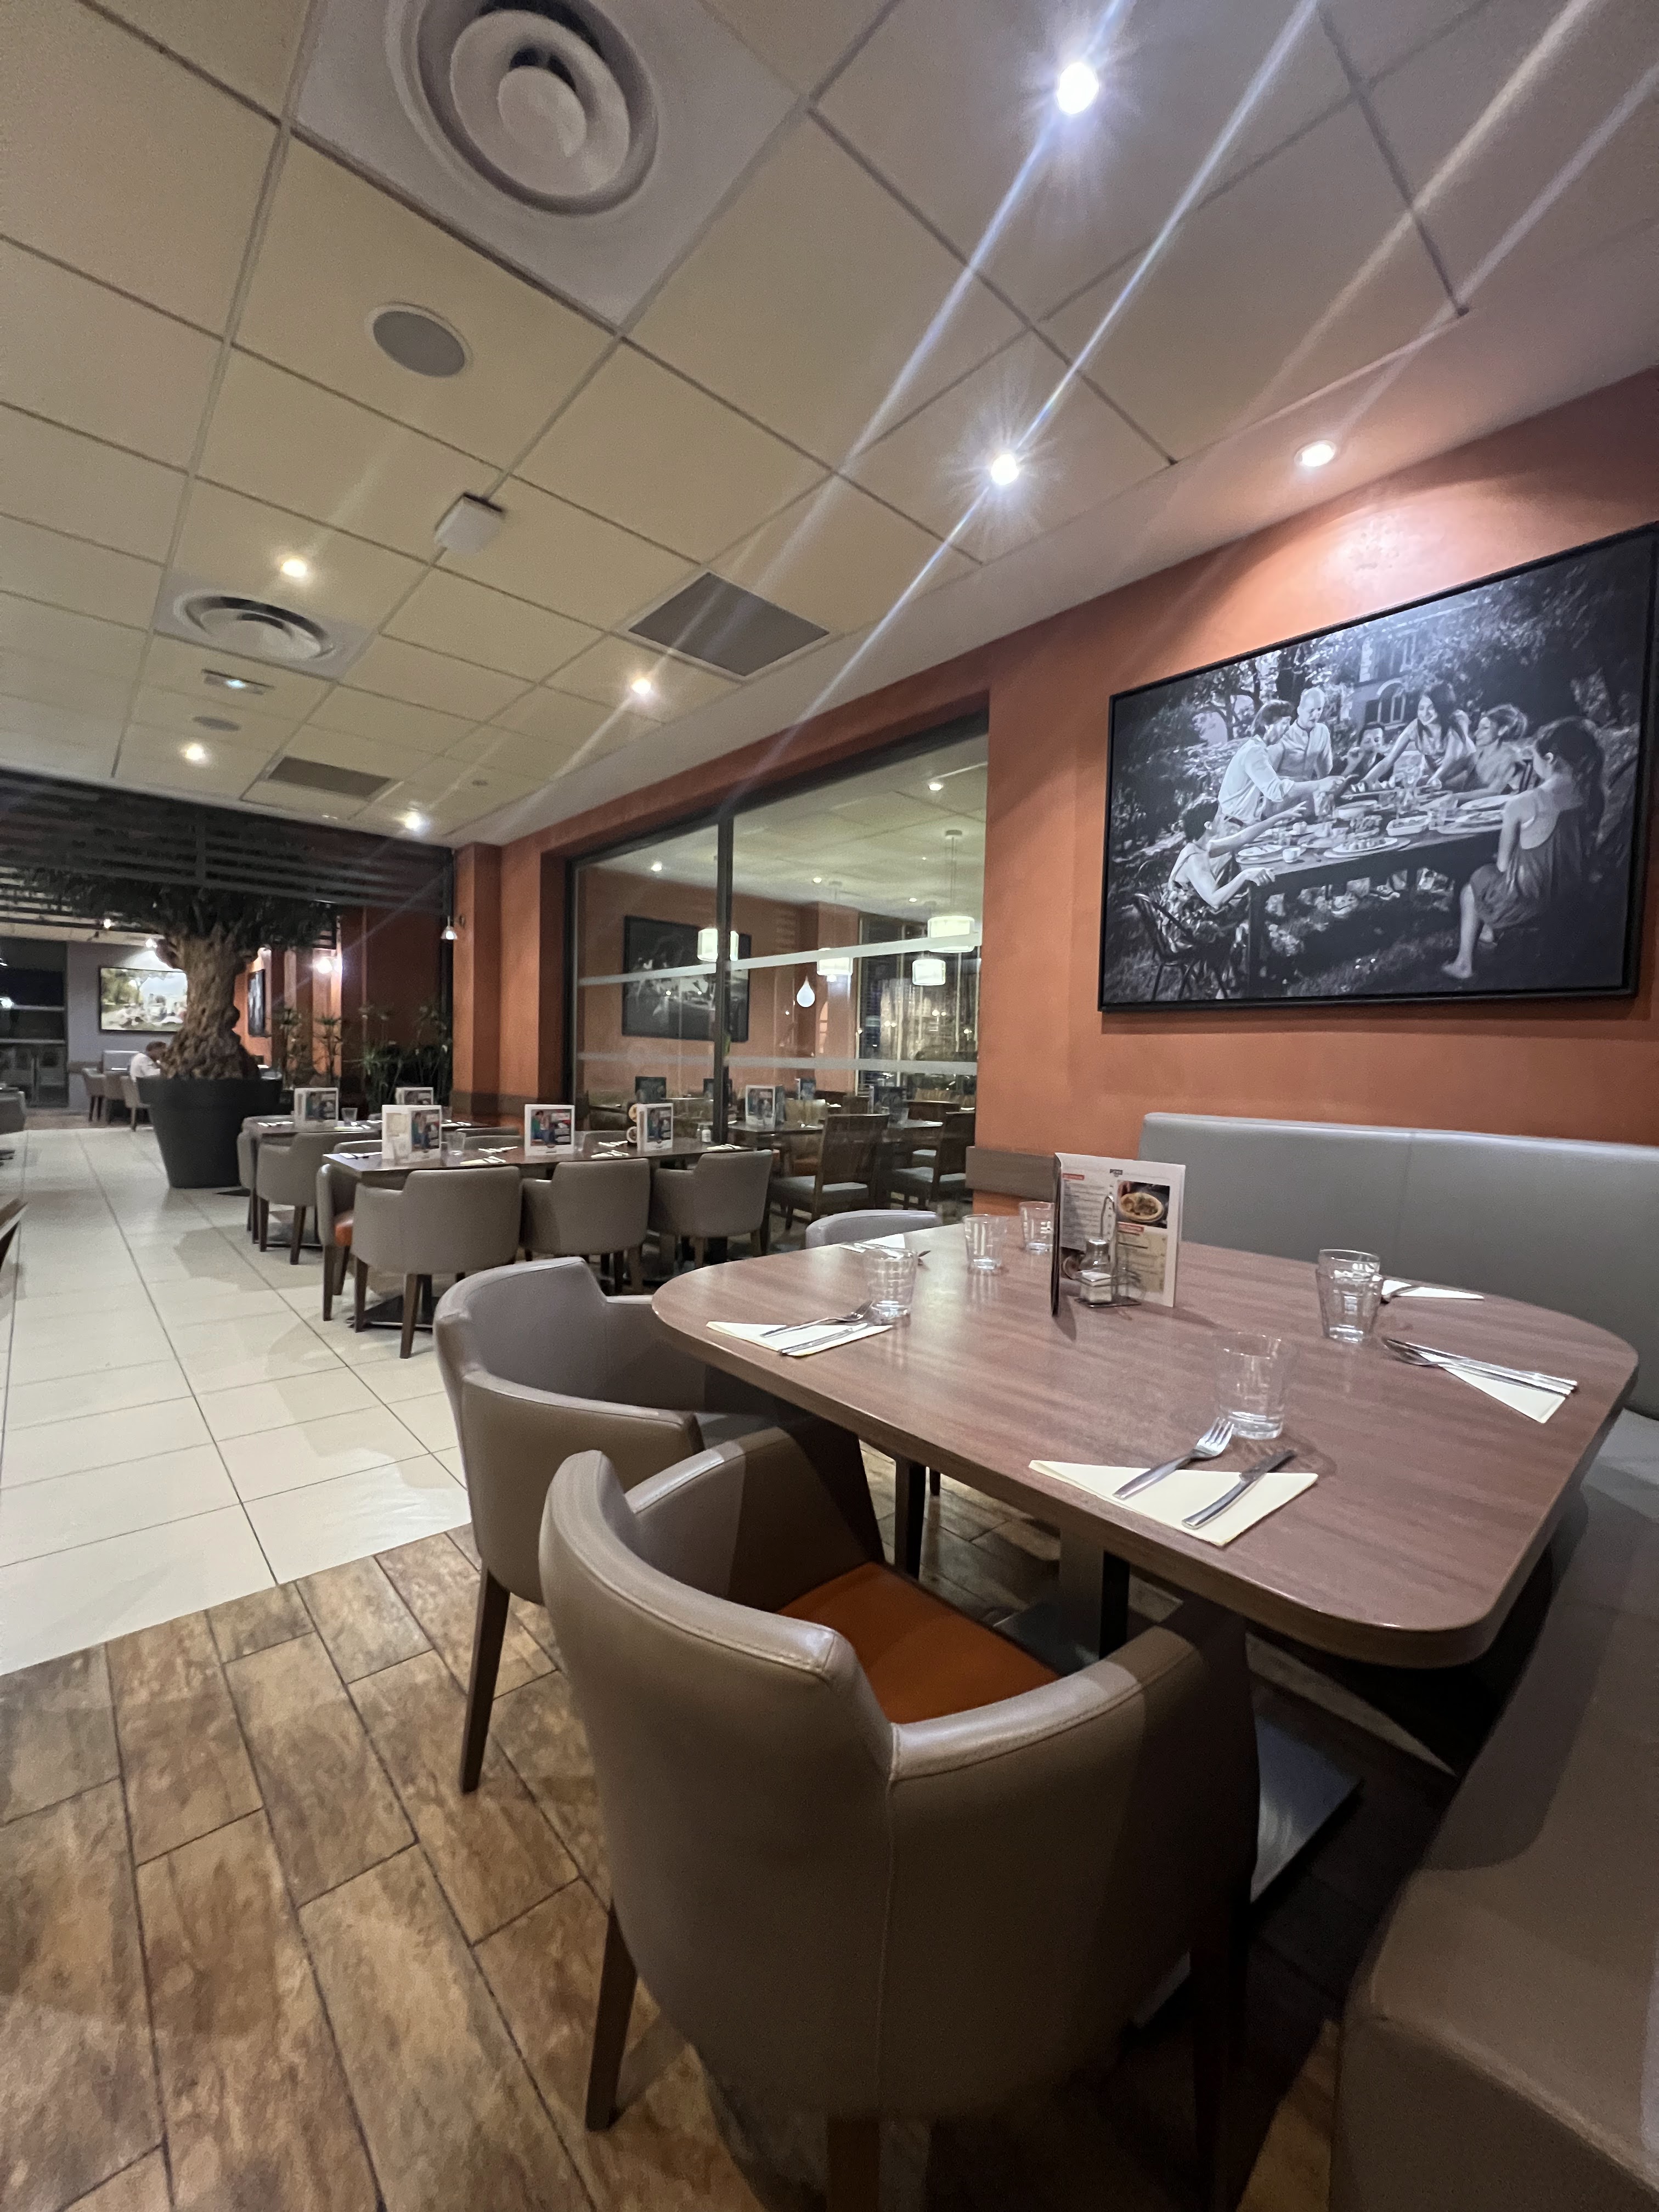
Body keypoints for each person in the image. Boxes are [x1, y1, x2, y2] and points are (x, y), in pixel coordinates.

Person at [1442, 718, 1603, 980]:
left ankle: (1464, 964)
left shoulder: (1523, 803)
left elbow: (1503, 867)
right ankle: (1489, 934)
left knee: (1474, 884)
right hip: (1571, 892)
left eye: (1534, 755)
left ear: (1549, 759)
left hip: (1529, 902)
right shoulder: (1592, 795)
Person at [1215, 703, 1342, 833]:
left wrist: (1301, 781)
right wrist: (1320, 785)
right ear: (1267, 725)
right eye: (1284, 723)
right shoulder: (1254, 752)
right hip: (1232, 828)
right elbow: (1276, 791)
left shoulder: (1257, 748)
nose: (1287, 729)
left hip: (1241, 825)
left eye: (1289, 723)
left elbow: (1267, 780)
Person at [1164, 798, 1273, 939]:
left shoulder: (1199, 846)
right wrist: (1245, 875)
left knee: (1248, 903)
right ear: (1208, 825)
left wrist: (1279, 818)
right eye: (1221, 816)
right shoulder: (1194, 859)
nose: (1225, 819)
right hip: (1185, 928)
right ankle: (1252, 946)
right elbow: (1215, 901)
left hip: (1192, 912)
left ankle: (1260, 941)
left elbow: (1241, 838)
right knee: (1249, 909)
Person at [1362, 681, 1472, 792]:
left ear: (1442, 707)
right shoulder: (1416, 726)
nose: (1425, 713)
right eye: (1421, 708)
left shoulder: (1458, 719)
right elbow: (1389, 759)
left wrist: (1435, 779)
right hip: (1439, 779)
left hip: (1466, 773)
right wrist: (1366, 781)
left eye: (1431, 708)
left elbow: (1452, 757)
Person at [1464, 703, 1532, 793]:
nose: (1477, 734)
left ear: (1502, 730)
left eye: (1485, 728)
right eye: (1479, 728)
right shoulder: (1479, 750)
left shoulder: (1510, 757)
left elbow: (1493, 792)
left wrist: (1455, 797)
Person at [1276, 684, 1335, 783]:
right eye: (1311, 710)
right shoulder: (1283, 735)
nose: (1316, 715)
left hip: (1308, 791)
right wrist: (1293, 781)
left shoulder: (1323, 732)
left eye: (1319, 709)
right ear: (1299, 710)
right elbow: (1266, 776)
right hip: (1282, 791)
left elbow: (1325, 771)